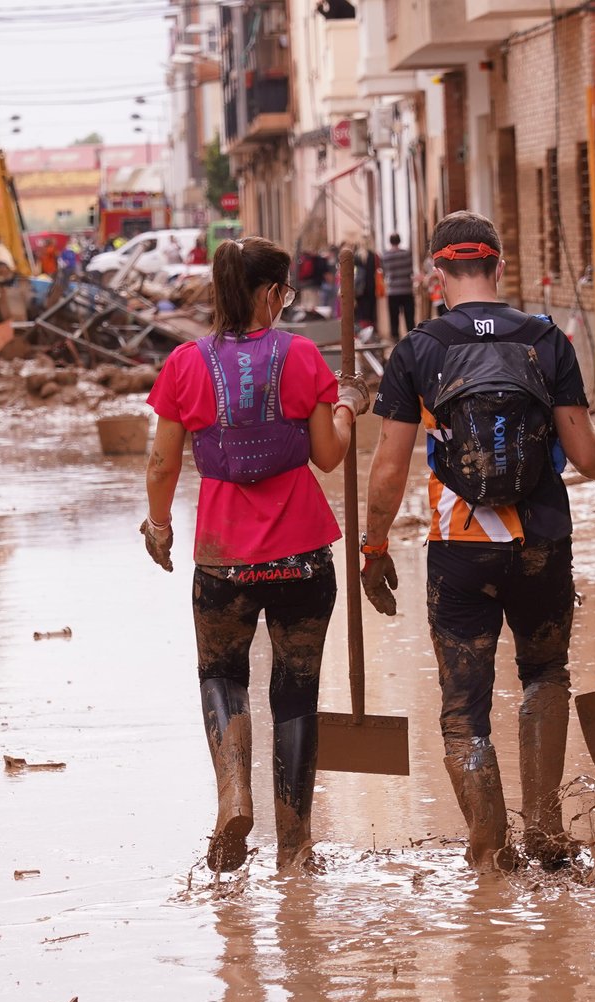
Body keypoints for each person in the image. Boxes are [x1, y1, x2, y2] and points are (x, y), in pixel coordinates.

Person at [358, 211, 595, 873]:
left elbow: (389, 467)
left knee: (464, 706)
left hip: (460, 550)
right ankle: (543, 828)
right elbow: (587, 456)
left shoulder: (417, 350)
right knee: (544, 677)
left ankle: (488, 849)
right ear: (500, 267)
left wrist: (372, 547)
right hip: (542, 544)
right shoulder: (548, 339)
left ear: (434, 274)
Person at [141, 236, 367, 874]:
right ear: (271, 294)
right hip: (301, 556)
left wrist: (159, 527)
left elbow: (161, 462)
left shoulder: (185, 363)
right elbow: (328, 454)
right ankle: (295, 849)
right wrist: (348, 404)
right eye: (286, 293)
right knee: (295, 693)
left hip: (222, 559)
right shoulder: (300, 356)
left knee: (222, 675)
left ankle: (233, 795)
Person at [381, 233, 416, 339]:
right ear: (399, 241)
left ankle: (395, 339)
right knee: (409, 317)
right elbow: (410, 271)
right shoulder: (406, 254)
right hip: (407, 290)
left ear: (390, 242)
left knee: (394, 318)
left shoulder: (386, 256)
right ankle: (412, 338)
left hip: (393, 291)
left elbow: (384, 272)